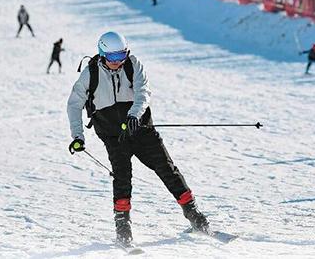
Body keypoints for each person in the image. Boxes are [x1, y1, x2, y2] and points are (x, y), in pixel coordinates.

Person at [67, 32, 211, 246]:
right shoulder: (91, 73)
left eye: (122, 55)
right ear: (102, 53)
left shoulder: (133, 65)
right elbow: (74, 104)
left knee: (166, 168)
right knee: (122, 177)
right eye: (113, 57)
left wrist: (134, 115)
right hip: (112, 135)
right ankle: (123, 227)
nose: (118, 62)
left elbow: (143, 92)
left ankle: (193, 214)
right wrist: (78, 136)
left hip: (140, 129)